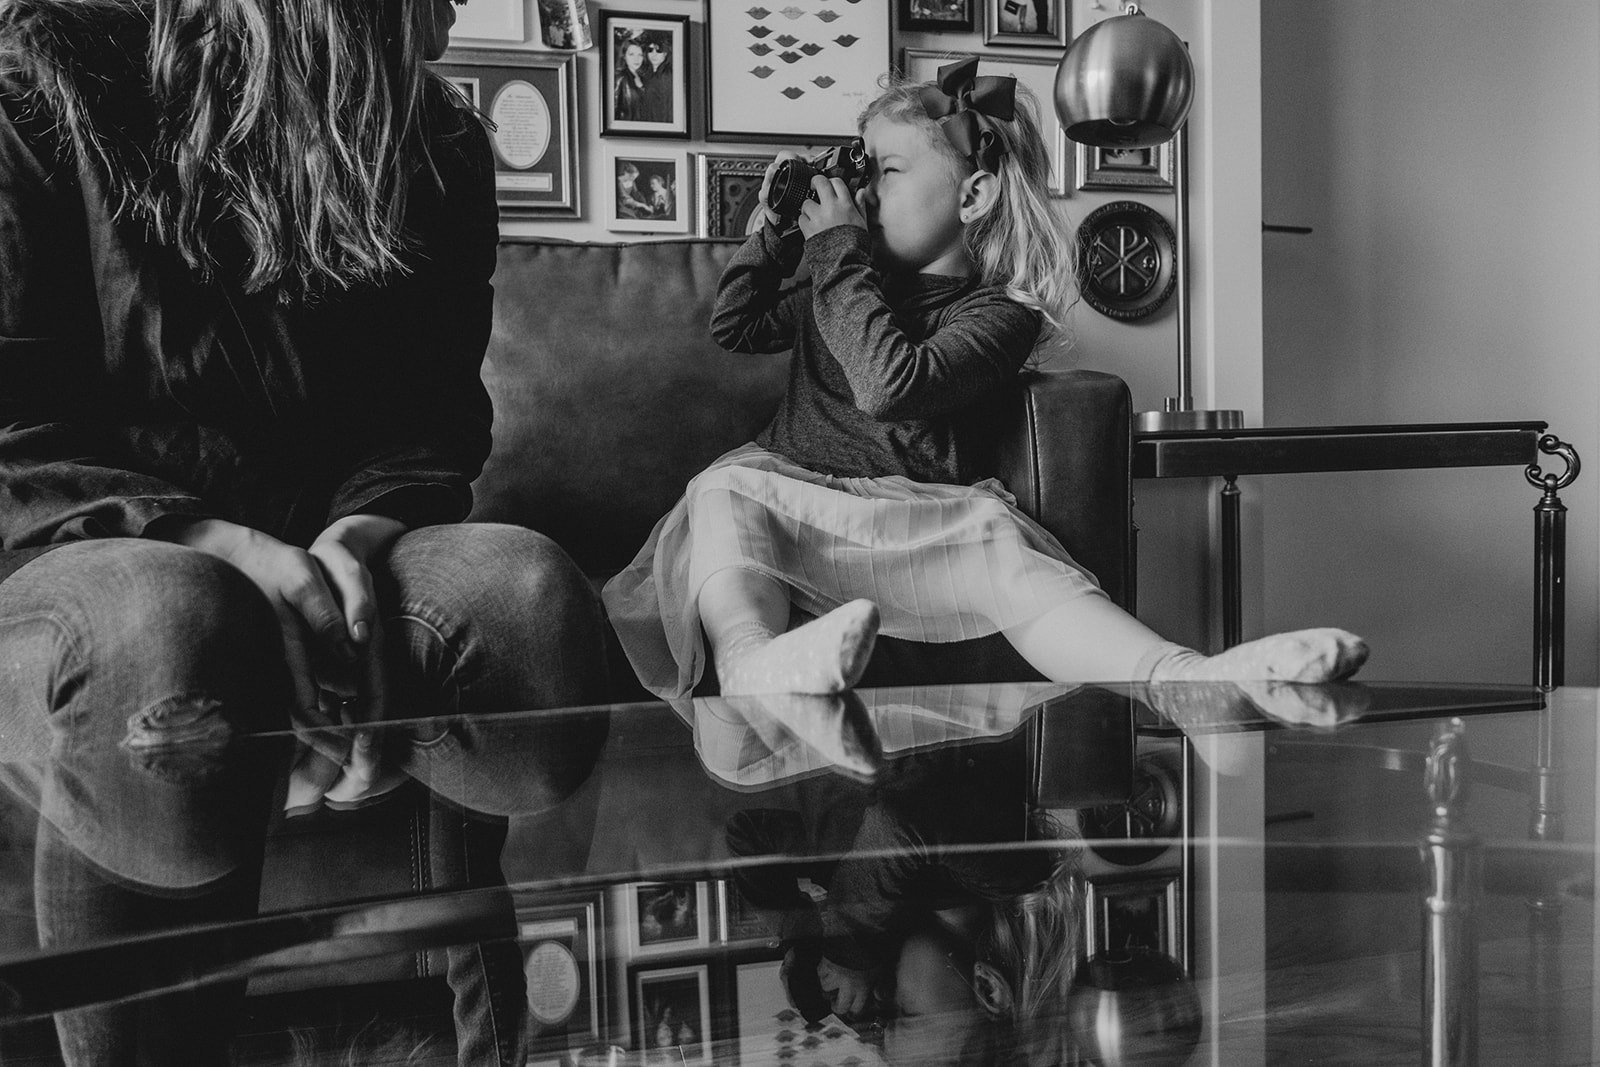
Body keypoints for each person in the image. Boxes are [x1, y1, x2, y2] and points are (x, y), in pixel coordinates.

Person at [0, 0, 609, 1064]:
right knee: (172, 632)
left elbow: (429, 416)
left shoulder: (443, 142)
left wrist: (358, 543)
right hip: (77, 537)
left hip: (326, 535)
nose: (462, 3)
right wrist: (223, 548)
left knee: (528, 605)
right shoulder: (39, 75)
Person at [602, 57, 1368, 704]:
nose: (863, 197)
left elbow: (890, 385)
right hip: (796, 504)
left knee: (1007, 549)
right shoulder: (837, 281)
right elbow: (734, 324)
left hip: (922, 525)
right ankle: (753, 662)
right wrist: (775, 238)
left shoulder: (998, 314)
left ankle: (1184, 678)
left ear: (972, 196)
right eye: (860, 177)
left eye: (888, 173)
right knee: (723, 493)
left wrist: (838, 249)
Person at [614, 38, 649, 122]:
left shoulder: (645, 78)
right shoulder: (619, 78)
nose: (636, 59)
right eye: (631, 54)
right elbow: (614, 110)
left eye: (640, 55)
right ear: (624, 56)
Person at [642, 37, 673, 123]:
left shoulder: (666, 76)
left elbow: (667, 109)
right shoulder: (648, 74)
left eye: (659, 51)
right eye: (650, 50)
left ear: (666, 53)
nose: (653, 54)